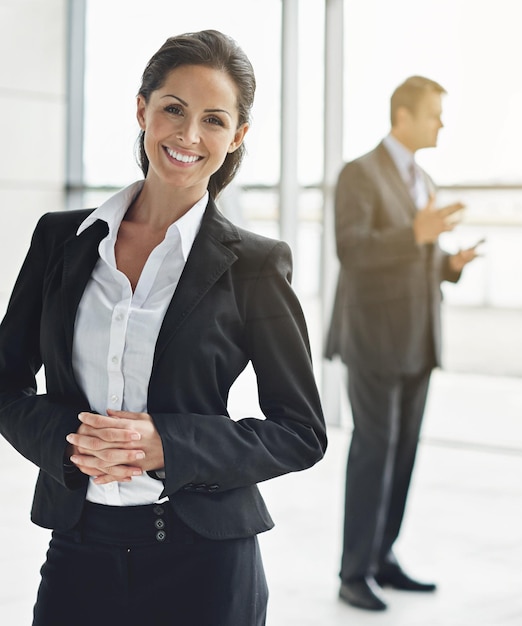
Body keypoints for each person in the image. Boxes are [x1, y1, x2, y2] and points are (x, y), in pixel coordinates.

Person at [0, 29, 326, 626]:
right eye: (173, 109)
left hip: (205, 564)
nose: (188, 136)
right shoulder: (60, 240)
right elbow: (5, 382)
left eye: (214, 120)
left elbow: (301, 430)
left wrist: (167, 445)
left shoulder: (254, 264)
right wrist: (69, 439)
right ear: (142, 109)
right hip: (79, 547)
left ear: (238, 137)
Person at [325, 75, 480, 611]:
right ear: (403, 117)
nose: (442, 123)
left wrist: (450, 263)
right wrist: (416, 233)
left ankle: (382, 558)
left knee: (404, 455)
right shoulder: (359, 174)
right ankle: (354, 572)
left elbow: (420, 257)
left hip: (419, 339)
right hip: (373, 338)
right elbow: (352, 249)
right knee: (374, 453)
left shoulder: (424, 178)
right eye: (435, 113)